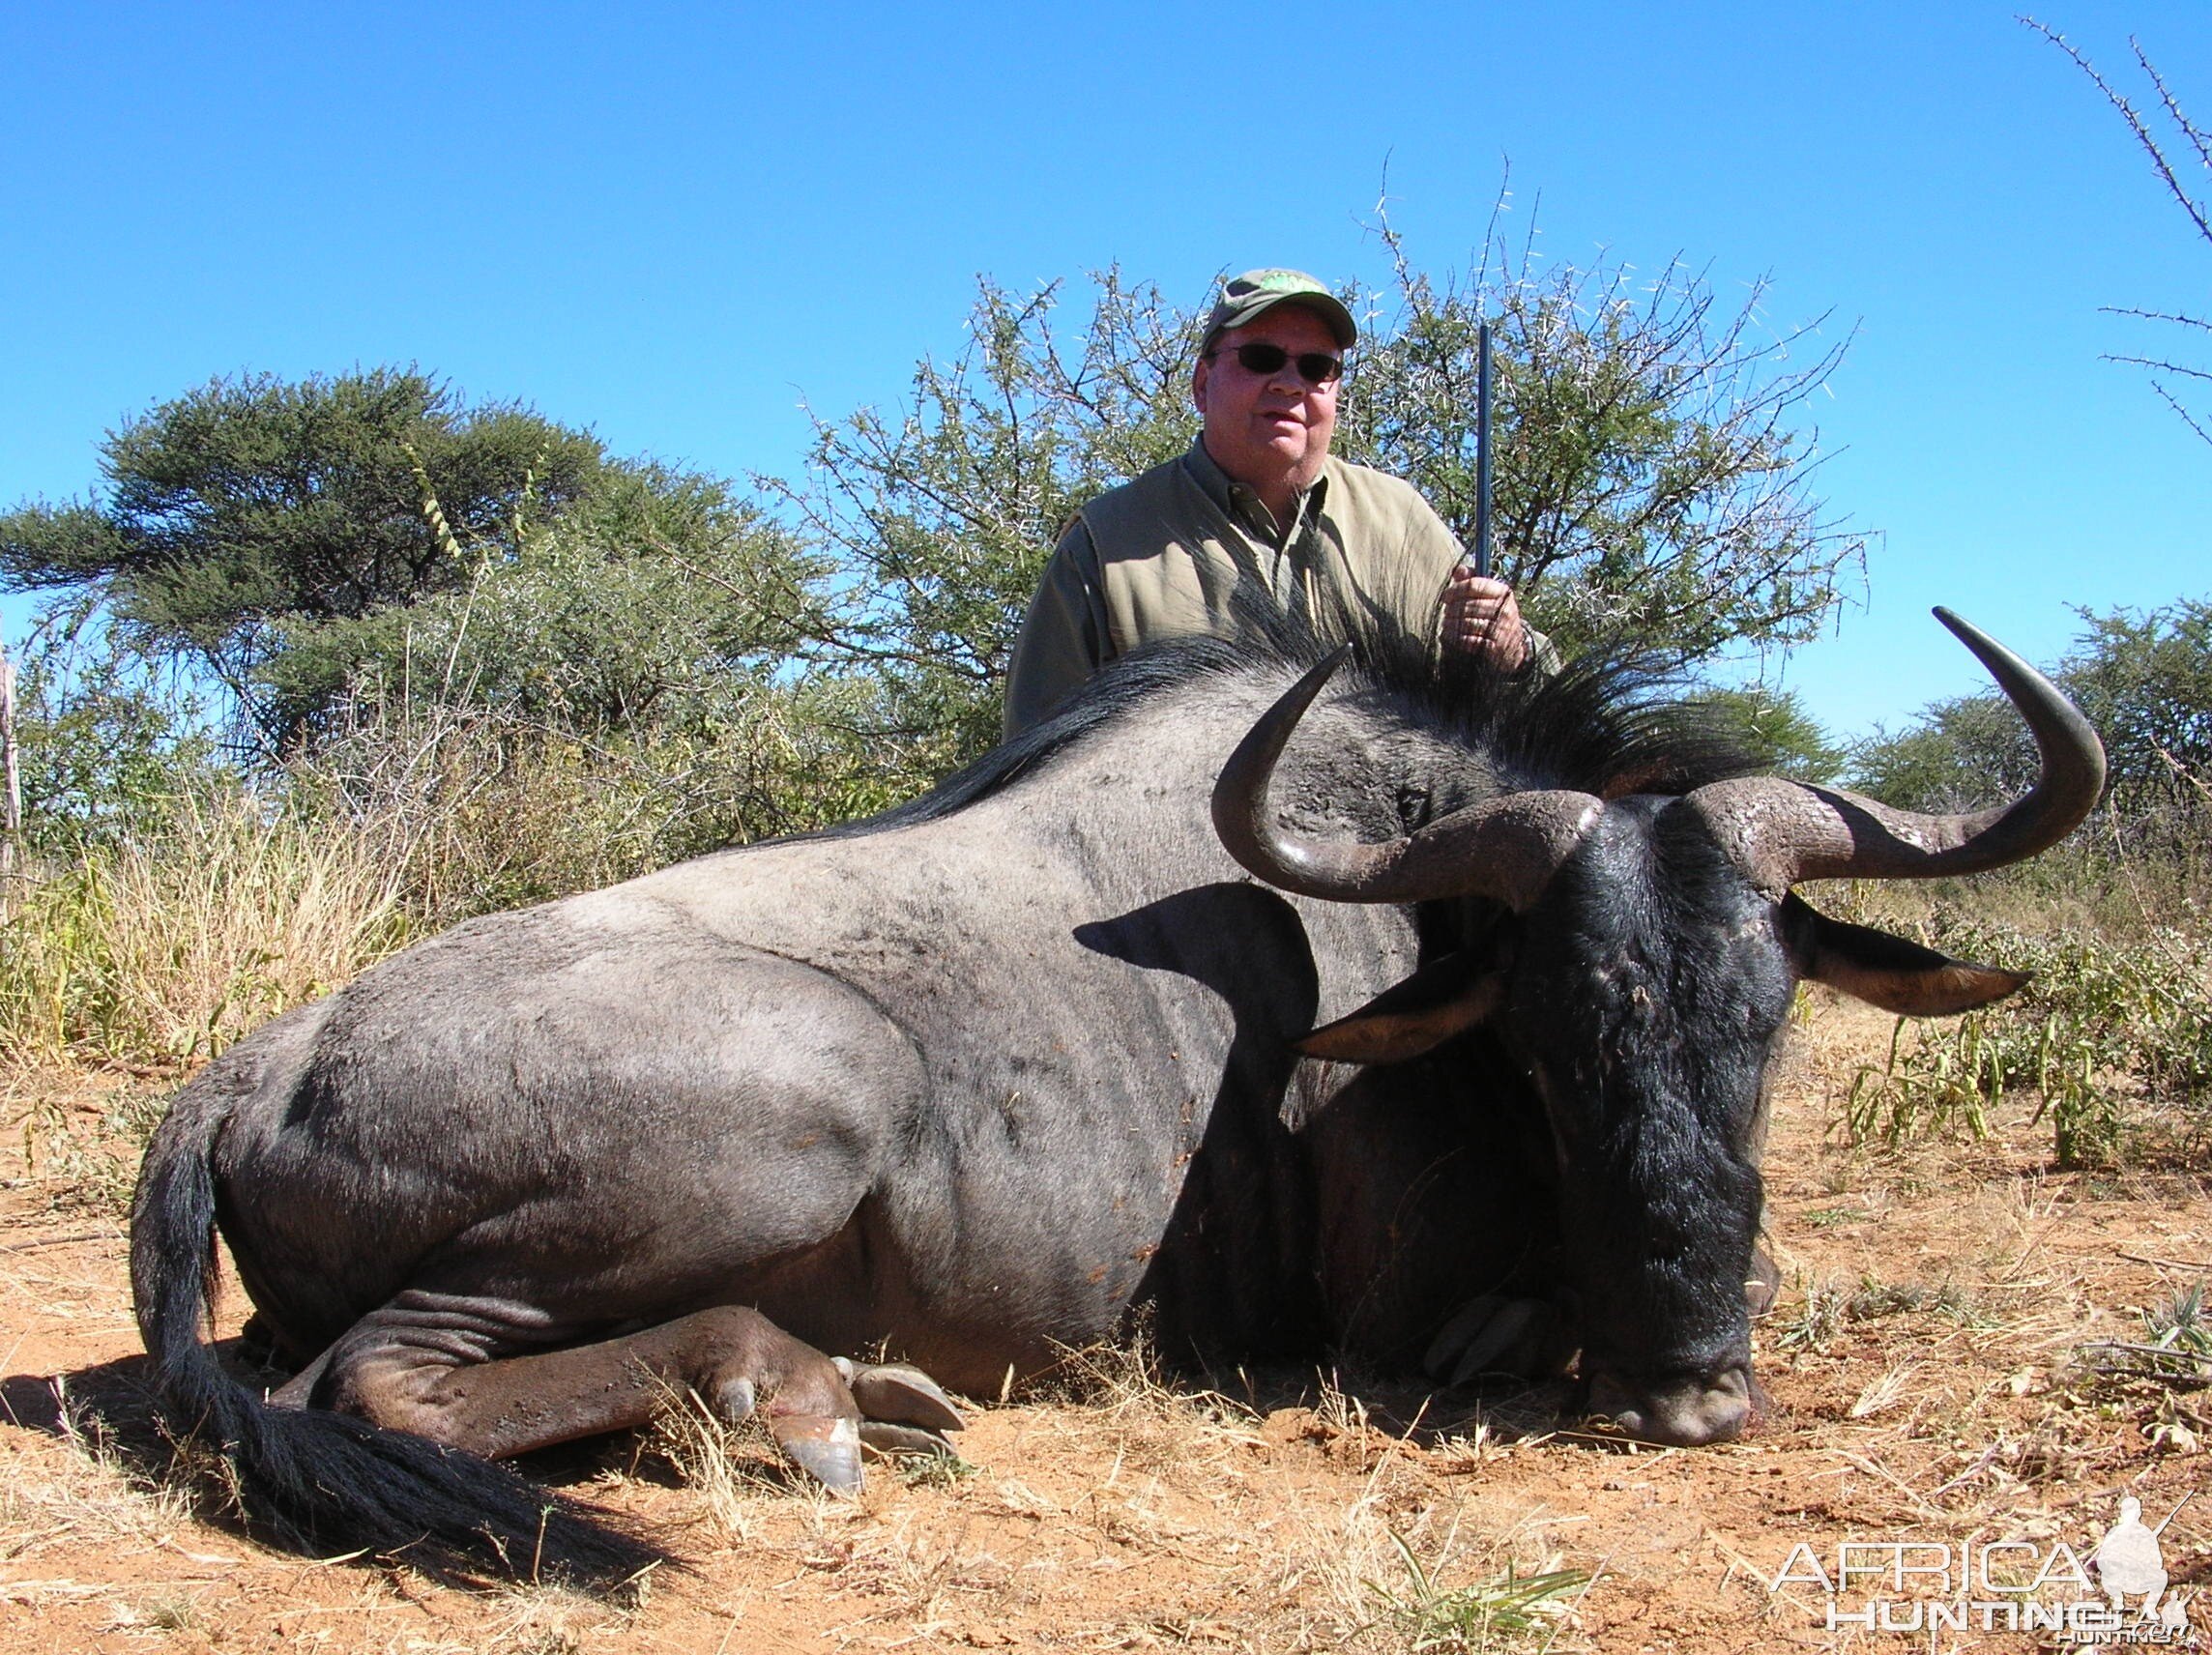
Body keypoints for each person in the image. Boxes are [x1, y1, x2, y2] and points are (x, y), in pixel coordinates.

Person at [1003, 267, 1544, 737]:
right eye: (1261, 358)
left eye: (1316, 368)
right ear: (1201, 382)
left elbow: (1536, 703)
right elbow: (1030, 770)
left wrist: (1514, 654)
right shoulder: (1105, 544)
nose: (1290, 384)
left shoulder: (1401, 518)